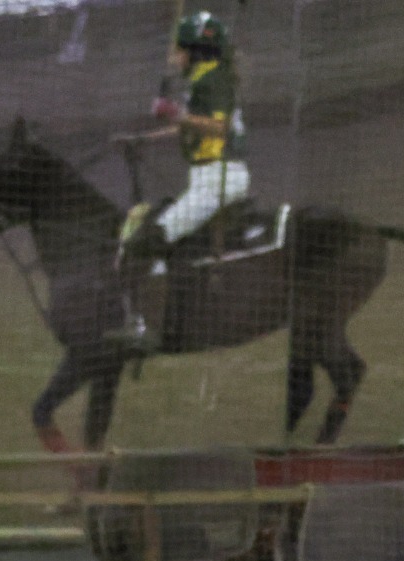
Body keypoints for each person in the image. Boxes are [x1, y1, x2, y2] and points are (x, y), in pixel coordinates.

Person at [113, 11, 249, 355]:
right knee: (153, 231)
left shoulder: (213, 79)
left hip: (219, 177)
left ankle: (150, 329)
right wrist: (143, 139)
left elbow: (218, 127)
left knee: (150, 240)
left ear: (196, 51)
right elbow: (190, 125)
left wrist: (175, 112)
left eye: (178, 50)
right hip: (205, 178)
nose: (173, 57)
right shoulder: (204, 77)